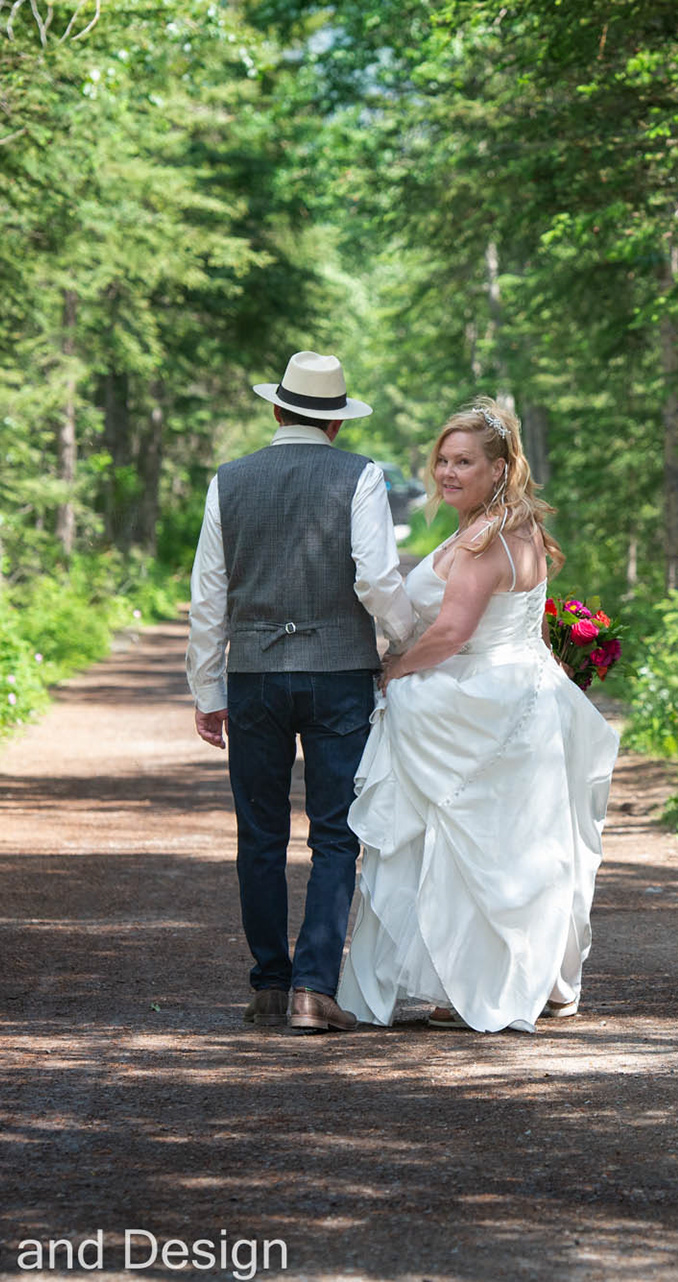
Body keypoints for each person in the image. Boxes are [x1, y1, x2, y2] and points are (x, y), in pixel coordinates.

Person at [337, 398, 619, 1033]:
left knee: (467, 846)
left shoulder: (481, 540)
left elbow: (451, 634)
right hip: (526, 694)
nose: (447, 472)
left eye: (464, 462)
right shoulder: (524, 530)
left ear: (499, 468)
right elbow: (528, 630)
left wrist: (394, 671)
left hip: (479, 697)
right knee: (520, 845)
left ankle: (467, 986)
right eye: (442, 460)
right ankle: (536, 980)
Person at [186, 351, 414, 1034]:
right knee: (336, 833)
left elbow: (209, 597)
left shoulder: (229, 480)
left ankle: (268, 984)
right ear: (336, 423)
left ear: (277, 409)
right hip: (339, 675)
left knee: (259, 833)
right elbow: (376, 578)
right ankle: (314, 989)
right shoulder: (360, 476)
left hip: (254, 676)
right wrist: (402, 639)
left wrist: (207, 688)